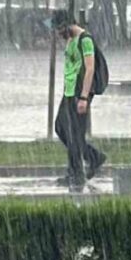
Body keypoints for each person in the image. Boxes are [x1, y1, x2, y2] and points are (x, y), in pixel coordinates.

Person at [49, 11, 107, 192]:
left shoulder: (85, 40)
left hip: (79, 93)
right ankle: (93, 156)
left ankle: (76, 174)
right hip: (68, 92)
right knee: (60, 127)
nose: (58, 33)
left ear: (67, 25)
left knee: (75, 135)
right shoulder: (70, 40)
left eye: (59, 29)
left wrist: (84, 97)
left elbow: (89, 69)